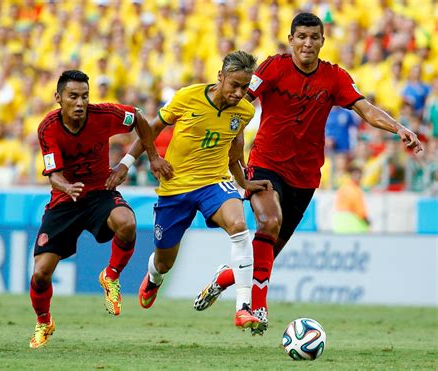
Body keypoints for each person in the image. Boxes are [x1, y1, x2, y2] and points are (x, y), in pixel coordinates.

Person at [194, 13, 423, 336]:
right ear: (291, 40)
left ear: (322, 41)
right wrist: (229, 151)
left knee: (267, 253)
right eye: (301, 36)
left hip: (305, 177)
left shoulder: (333, 77)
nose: (307, 43)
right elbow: (238, 104)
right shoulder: (273, 68)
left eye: (314, 37)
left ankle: (225, 277)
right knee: (268, 222)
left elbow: (365, 108)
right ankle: (257, 307)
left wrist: (398, 127)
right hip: (265, 165)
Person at [119, 51, 272, 330]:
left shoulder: (245, 111)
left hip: (214, 182)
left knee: (239, 226)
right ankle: (154, 278)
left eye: (245, 87)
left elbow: (235, 150)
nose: (239, 93)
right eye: (234, 85)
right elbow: (150, 129)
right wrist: (130, 163)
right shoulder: (187, 97)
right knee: (164, 262)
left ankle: (243, 308)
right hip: (175, 186)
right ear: (220, 77)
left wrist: (244, 181)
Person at [29, 70, 171, 349]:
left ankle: (111, 276)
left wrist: (135, 161)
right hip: (64, 201)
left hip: (98, 193)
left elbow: (141, 117)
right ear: (58, 98)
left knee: (128, 223)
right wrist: (66, 187)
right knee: (40, 273)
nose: (80, 102)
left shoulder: (104, 115)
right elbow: (52, 175)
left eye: (84, 96)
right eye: (73, 96)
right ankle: (44, 321)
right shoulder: (48, 127)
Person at [332, 162, 370, 233]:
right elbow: (360, 211)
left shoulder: (342, 188)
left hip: (338, 225)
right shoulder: (355, 190)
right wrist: (368, 222)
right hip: (352, 225)